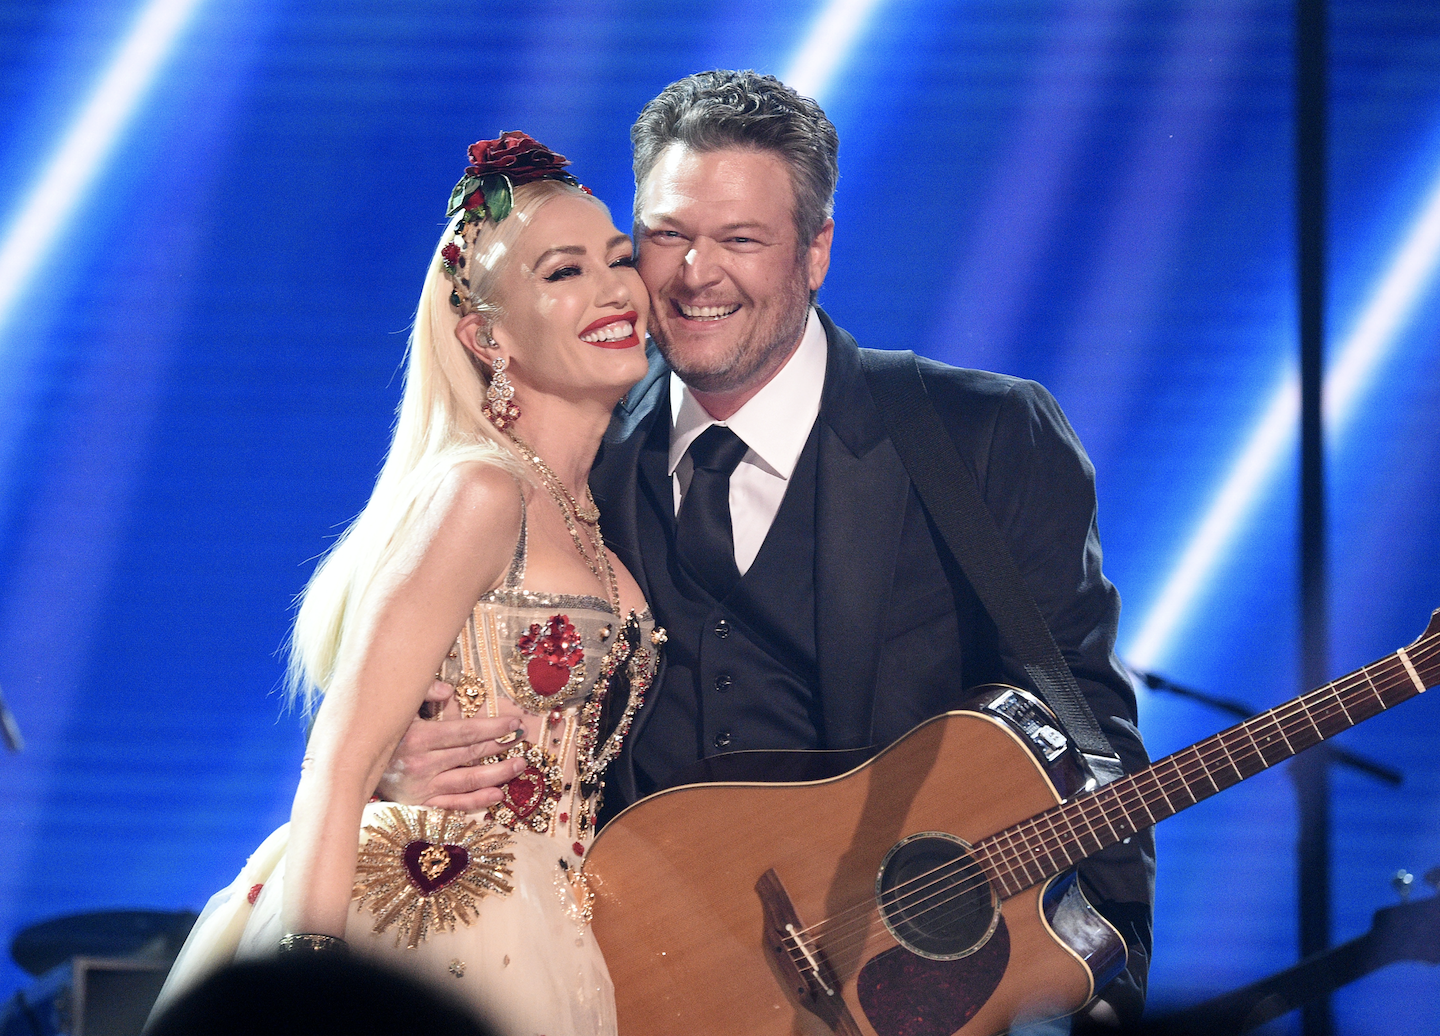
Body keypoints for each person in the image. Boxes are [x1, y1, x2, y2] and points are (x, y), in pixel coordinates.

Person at [385, 71, 1156, 1030]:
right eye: (666, 236)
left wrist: (1105, 978)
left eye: (741, 239)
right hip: (623, 990)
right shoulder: (565, 460)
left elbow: (1086, 732)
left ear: (817, 250)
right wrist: (405, 773)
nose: (695, 274)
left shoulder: (980, 436)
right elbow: (434, 689)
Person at [149, 132, 659, 1036]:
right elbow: (340, 758)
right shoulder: (481, 491)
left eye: (619, 259)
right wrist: (311, 990)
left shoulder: (588, 514)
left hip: (556, 930)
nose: (614, 288)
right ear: (486, 335)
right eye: (564, 272)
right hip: (423, 912)